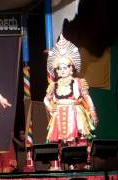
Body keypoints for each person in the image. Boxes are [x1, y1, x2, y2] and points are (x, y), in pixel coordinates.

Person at [44, 35, 98, 170]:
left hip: (75, 114)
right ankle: (58, 166)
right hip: (59, 115)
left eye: (65, 67)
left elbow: (87, 98)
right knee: (59, 142)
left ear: (71, 68)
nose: (62, 70)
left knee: (79, 140)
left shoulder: (78, 82)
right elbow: (46, 99)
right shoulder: (54, 85)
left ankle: (82, 164)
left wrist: (93, 114)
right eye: (59, 68)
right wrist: (50, 107)